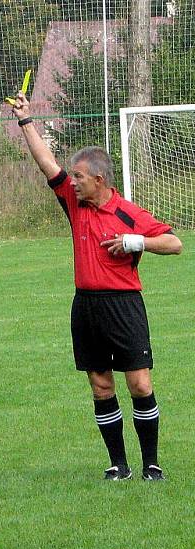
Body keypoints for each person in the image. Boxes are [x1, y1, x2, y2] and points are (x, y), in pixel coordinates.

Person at [11, 91, 182, 481]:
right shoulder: (74, 201)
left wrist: (135, 241)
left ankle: (151, 463)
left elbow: (174, 243)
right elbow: (46, 164)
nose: (73, 182)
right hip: (86, 305)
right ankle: (118, 465)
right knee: (101, 385)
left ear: (99, 180)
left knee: (139, 384)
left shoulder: (128, 212)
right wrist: (25, 120)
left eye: (80, 177)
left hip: (124, 305)